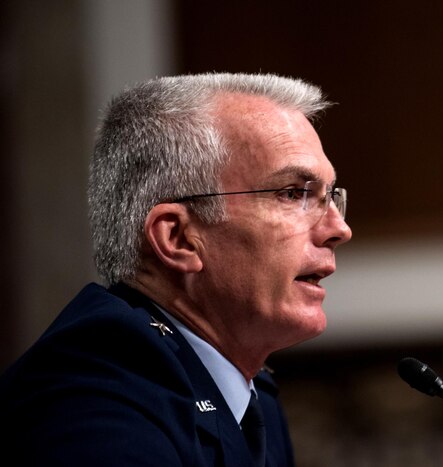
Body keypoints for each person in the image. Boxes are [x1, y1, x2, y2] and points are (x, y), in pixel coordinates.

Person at [0, 72, 352, 466]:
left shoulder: (254, 398)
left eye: (330, 196)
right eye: (293, 194)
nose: (339, 229)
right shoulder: (96, 400)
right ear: (178, 239)